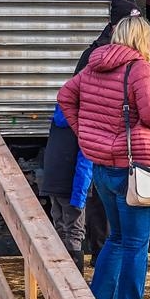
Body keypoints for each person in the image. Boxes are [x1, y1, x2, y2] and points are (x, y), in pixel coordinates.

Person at [58, 16, 150, 299]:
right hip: (135, 169)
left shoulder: (94, 66)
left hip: (103, 168)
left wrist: (85, 132)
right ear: (140, 39)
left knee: (117, 240)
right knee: (136, 247)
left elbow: (65, 96)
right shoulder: (140, 69)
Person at [75, 0, 142, 263]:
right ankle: (104, 254)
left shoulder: (99, 54)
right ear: (115, 25)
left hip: (114, 141)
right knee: (106, 204)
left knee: (107, 203)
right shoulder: (99, 55)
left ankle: (105, 255)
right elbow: (72, 96)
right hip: (114, 143)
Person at [39, 103, 92, 272]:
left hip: (53, 181)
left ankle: (59, 276)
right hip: (71, 184)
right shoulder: (85, 122)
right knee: (75, 231)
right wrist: (80, 196)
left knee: (60, 227)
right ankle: (75, 282)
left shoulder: (58, 118)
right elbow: (85, 165)